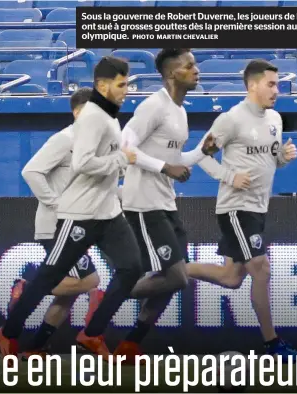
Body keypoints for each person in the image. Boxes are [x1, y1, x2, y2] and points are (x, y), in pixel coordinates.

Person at [0, 56, 144, 359]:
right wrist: (55, 202)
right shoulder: (71, 134)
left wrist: (128, 186)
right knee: (60, 280)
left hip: (108, 214)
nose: (127, 90)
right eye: (122, 84)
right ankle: (10, 332)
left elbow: (106, 173)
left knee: (131, 268)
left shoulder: (111, 121)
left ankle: (88, 333)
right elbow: (53, 168)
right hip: (77, 216)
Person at [190, 59, 297, 359]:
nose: (276, 90)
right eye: (271, 84)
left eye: (277, 84)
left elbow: (272, 159)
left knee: (232, 277)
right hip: (235, 208)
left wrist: (285, 157)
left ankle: (176, 269)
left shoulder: (275, 119)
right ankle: (272, 344)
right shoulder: (232, 120)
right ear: (252, 85)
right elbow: (200, 156)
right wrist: (229, 176)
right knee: (262, 270)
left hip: (258, 207)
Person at [114, 48, 219, 362]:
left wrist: (203, 151)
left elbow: (177, 162)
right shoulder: (154, 106)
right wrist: (164, 168)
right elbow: (124, 144)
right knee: (176, 277)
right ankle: (100, 297)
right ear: (173, 73)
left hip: (166, 203)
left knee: (172, 281)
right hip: (144, 206)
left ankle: (131, 343)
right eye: (190, 66)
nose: (196, 71)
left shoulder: (180, 112)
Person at [13, 87, 101, 358]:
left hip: (75, 226)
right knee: (91, 281)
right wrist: (56, 204)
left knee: (71, 290)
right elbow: (30, 171)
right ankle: (30, 286)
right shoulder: (64, 139)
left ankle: (38, 345)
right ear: (77, 112)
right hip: (56, 226)